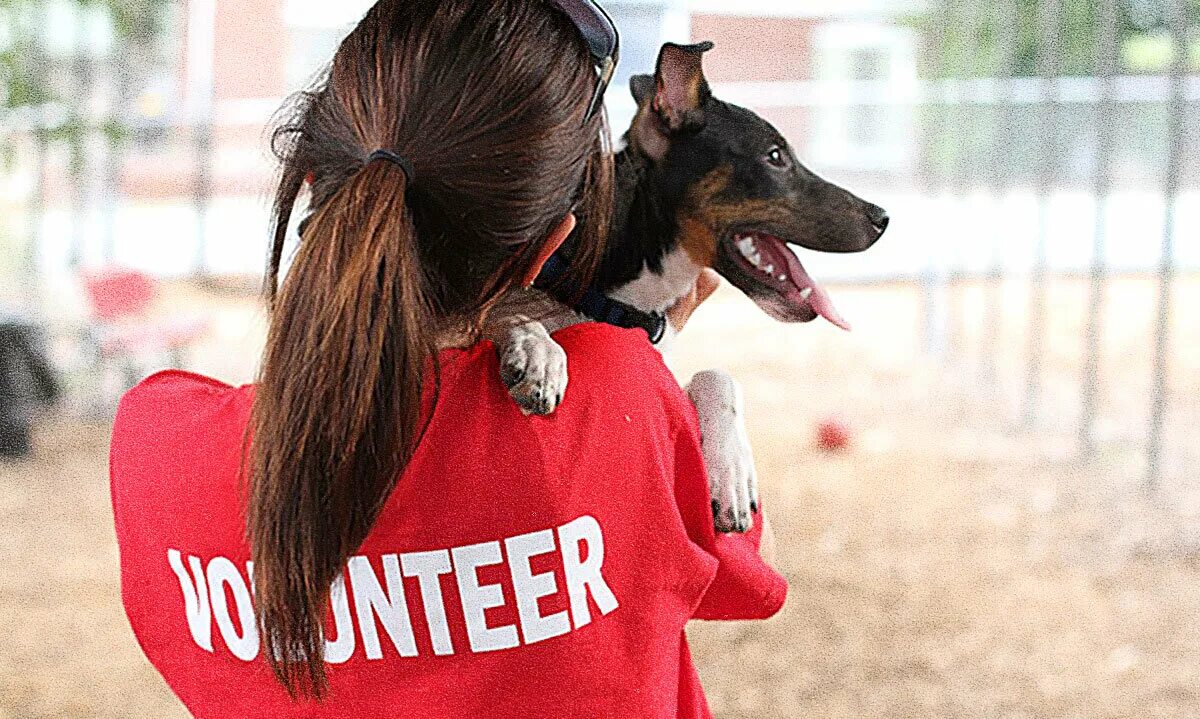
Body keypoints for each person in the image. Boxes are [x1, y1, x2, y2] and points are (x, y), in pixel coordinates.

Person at [109, 1, 785, 717]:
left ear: (312, 180)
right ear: (552, 240)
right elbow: (751, 566)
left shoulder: (158, 450)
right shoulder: (620, 393)